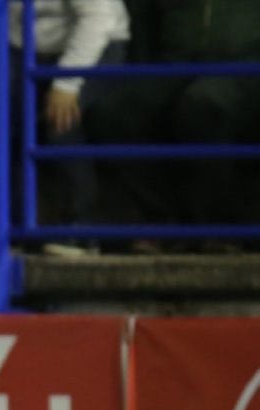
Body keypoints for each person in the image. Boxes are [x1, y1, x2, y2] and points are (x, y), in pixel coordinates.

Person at [86, 0, 260, 249]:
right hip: (174, 63)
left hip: (245, 67)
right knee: (112, 115)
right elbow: (143, 20)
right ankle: (163, 220)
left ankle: (217, 229)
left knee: (203, 105)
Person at [8, 0, 130, 255]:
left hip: (99, 42)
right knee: (1, 124)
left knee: (61, 122)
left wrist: (66, 83)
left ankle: (82, 230)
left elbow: (98, 18)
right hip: (24, 50)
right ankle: (15, 229)